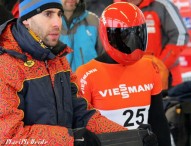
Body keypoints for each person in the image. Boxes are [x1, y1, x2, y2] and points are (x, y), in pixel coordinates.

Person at [0, 0, 128, 145]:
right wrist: (70, 139)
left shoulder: (57, 59)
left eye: (59, 14)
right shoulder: (6, 65)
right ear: (26, 20)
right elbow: (8, 136)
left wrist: (130, 136)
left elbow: (83, 115)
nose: (57, 23)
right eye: (48, 14)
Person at [76, 2, 171, 146]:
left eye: (137, 33)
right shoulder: (86, 74)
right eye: (123, 36)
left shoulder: (150, 67)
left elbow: (158, 120)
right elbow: (82, 128)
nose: (131, 42)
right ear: (107, 35)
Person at [115, 0, 189, 89]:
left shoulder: (162, 5)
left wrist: (160, 65)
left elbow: (181, 36)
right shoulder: (117, 8)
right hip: (133, 83)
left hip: (166, 80)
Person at [60, 0, 104, 72]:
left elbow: (104, 57)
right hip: (59, 82)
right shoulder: (49, 24)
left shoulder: (94, 21)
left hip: (89, 81)